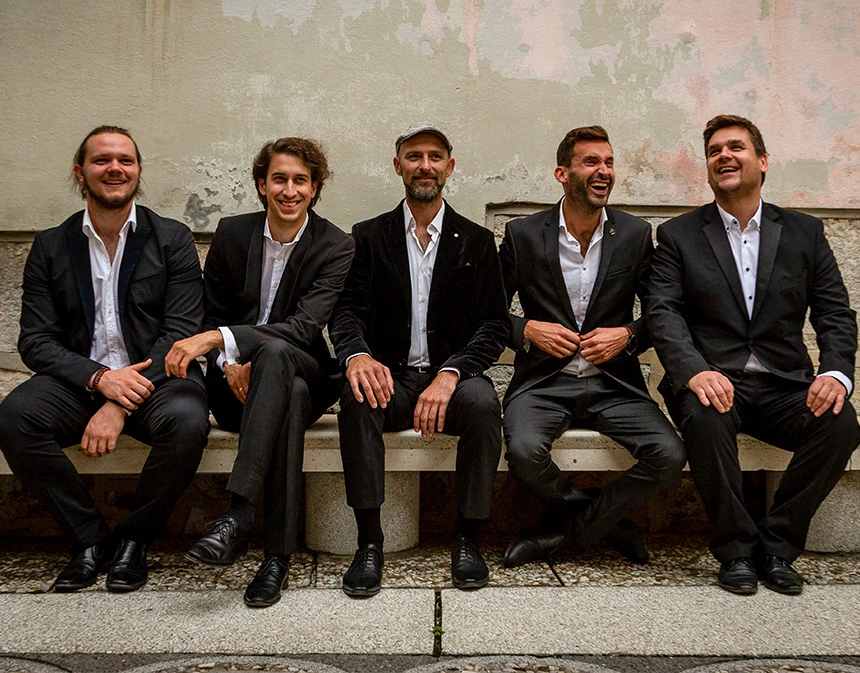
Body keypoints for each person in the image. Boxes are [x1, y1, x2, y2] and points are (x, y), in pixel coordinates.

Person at [646, 114, 860, 595]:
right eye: (714, 151)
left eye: (736, 147)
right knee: (705, 417)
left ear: (762, 161)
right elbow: (663, 312)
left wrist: (835, 373)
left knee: (841, 423)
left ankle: (777, 547)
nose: (724, 155)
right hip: (715, 381)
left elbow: (834, 313)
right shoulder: (679, 235)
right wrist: (694, 371)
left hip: (785, 384)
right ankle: (736, 550)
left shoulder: (805, 232)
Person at [0, 126, 210, 592]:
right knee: (15, 418)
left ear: (138, 171)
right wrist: (99, 380)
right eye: (102, 160)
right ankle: (90, 540)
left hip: (159, 377)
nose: (115, 168)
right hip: (79, 381)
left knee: (188, 422)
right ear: (80, 172)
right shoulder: (51, 245)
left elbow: (181, 331)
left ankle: (135, 540)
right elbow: (35, 340)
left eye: (125, 160)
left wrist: (118, 402)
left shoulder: (171, 238)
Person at [165, 137, 354, 607]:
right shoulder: (232, 234)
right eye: (279, 179)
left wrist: (217, 341)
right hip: (240, 393)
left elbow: (304, 327)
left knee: (277, 355)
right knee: (286, 393)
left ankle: (238, 512)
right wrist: (227, 363)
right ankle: (275, 559)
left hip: (306, 370)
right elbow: (212, 311)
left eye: (300, 181)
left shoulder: (336, 245)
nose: (289, 190)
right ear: (261, 184)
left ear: (314, 189)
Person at [329, 123, 510, 596]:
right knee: (357, 399)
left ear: (449, 167)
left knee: (484, 405)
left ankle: (467, 539)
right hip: (390, 376)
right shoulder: (368, 236)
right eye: (414, 157)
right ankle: (369, 542)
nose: (424, 166)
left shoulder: (476, 240)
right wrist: (357, 356)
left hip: (454, 377)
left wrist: (452, 372)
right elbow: (346, 312)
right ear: (398, 166)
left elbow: (494, 323)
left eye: (434, 157)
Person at [499, 126, 686, 568]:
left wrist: (629, 335)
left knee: (670, 454)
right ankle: (608, 524)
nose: (604, 171)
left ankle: (562, 534)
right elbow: (487, 313)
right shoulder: (523, 235)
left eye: (609, 162)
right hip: (544, 384)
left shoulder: (635, 234)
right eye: (591, 162)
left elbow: (663, 312)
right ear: (562, 173)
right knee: (523, 453)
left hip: (614, 384)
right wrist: (527, 330)